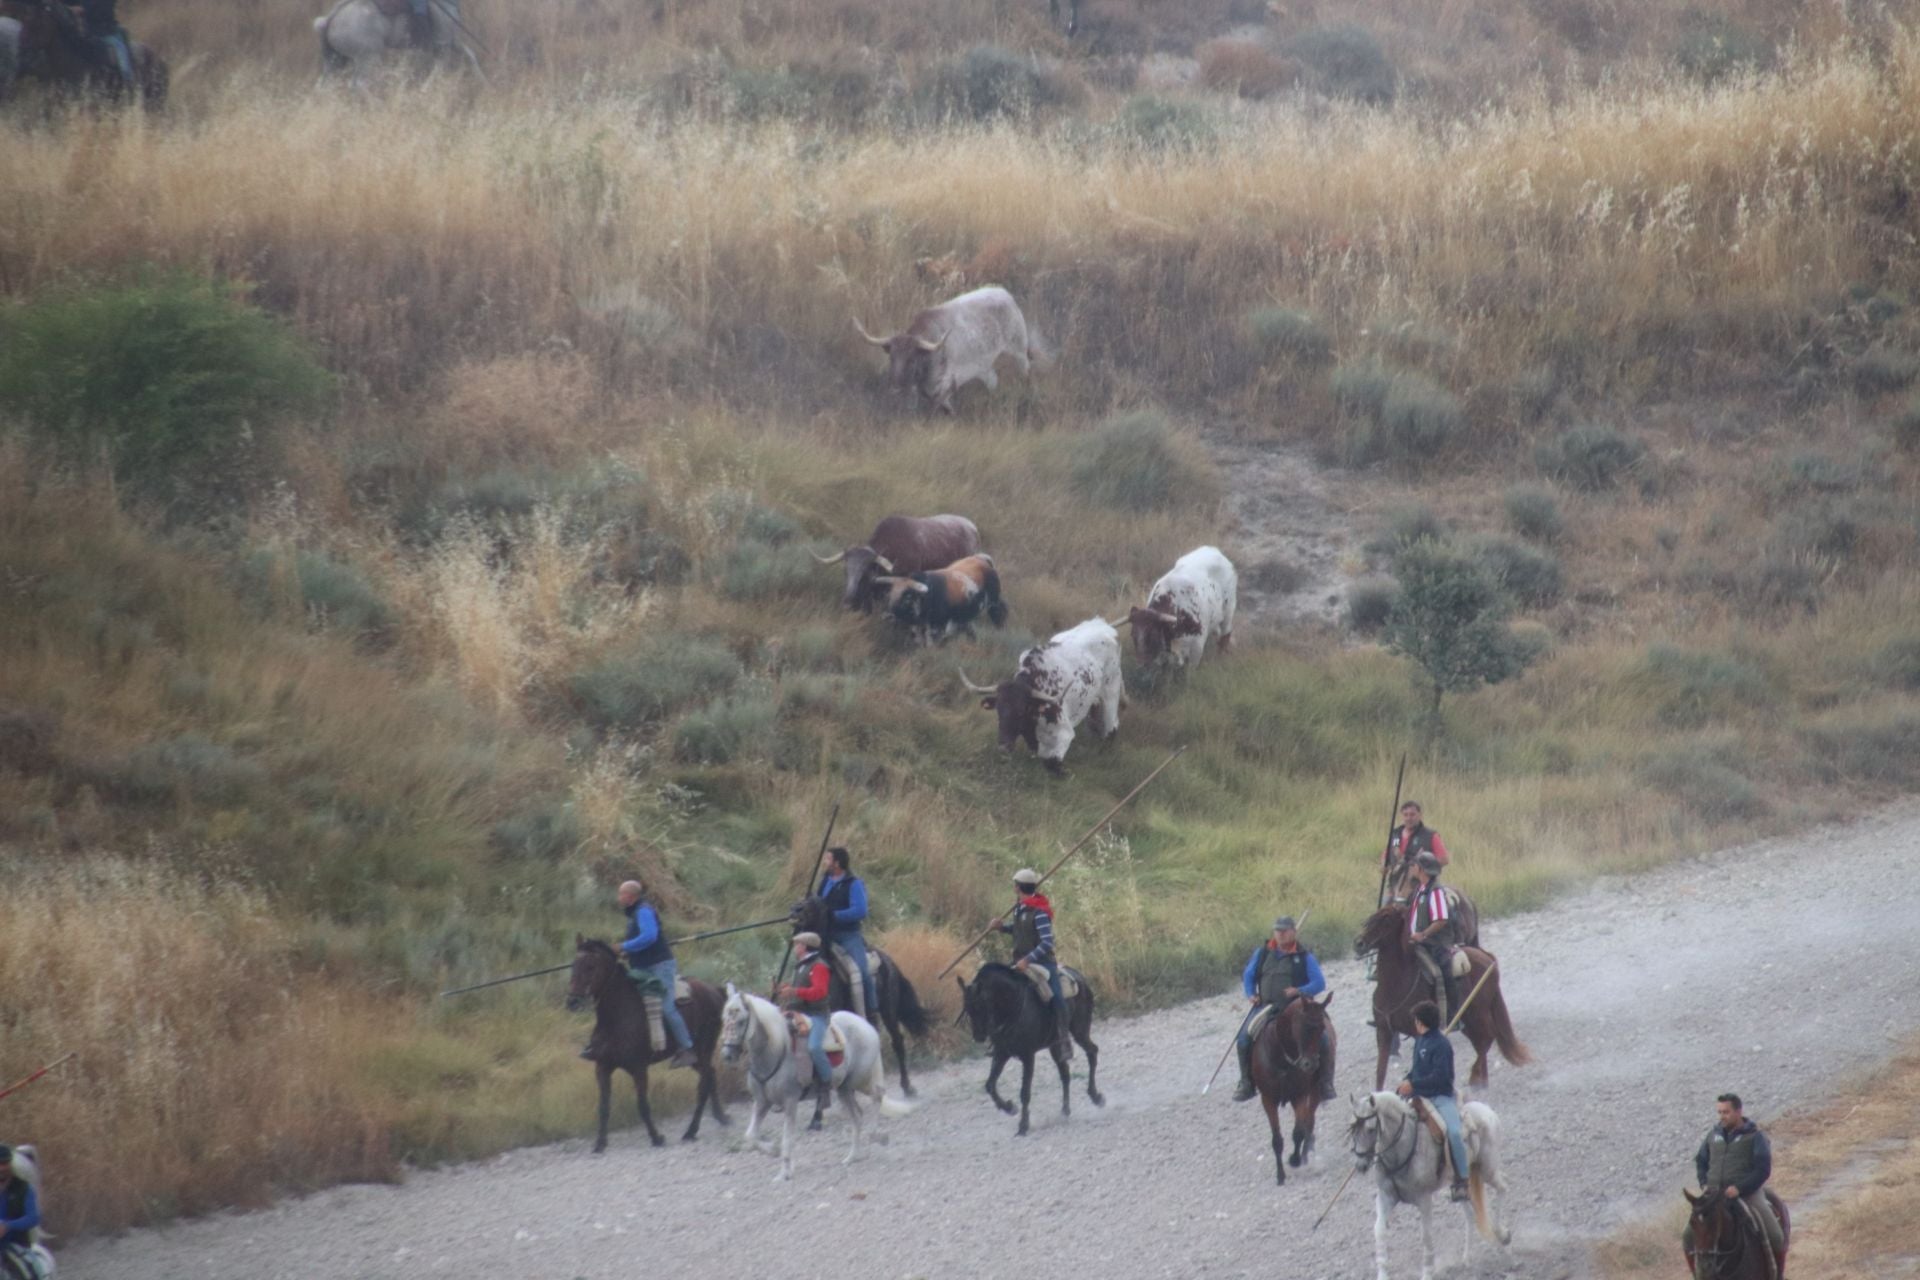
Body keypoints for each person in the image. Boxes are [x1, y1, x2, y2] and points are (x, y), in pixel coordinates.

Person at [582, 879, 697, 1067]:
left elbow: (650, 936)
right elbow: (642, 941)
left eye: (621, 894)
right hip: (641, 967)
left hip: (660, 965)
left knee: (666, 1006)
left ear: (630, 896)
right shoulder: (634, 914)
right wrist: (629, 951)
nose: (618, 897)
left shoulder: (643, 911)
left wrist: (625, 946)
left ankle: (687, 1048)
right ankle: (601, 1044)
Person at [1232, 916, 1335, 1104]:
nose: (1280, 934)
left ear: (1293, 932)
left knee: (1324, 1039)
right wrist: (1250, 994)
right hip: (1267, 1006)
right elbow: (1248, 976)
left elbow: (1319, 983)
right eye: (1277, 930)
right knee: (1243, 1039)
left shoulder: (1305, 957)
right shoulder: (1262, 953)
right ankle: (1246, 1083)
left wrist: (1299, 990)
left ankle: (1326, 1083)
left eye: (1284, 931)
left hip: (1297, 1008)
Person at [1689, 1093, 1786, 1275]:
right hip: (1713, 1195)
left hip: (1747, 1194)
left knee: (1776, 1237)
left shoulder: (1755, 1136)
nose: (1721, 1116)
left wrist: (1739, 1188)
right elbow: (1701, 1161)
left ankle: (1777, 1275)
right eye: (1719, 1112)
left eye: (1726, 1112)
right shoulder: (1713, 1135)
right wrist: (1703, 1184)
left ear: (1738, 1111)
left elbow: (1762, 1170)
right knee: (1688, 1236)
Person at [994, 868, 1071, 1059]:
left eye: (1015, 885)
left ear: (1018, 887)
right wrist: (1002, 928)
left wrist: (1028, 959)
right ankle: (1000, 1039)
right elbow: (1020, 931)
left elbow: (1047, 942)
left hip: (1043, 964)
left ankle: (1063, 1040)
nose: (1014, 888)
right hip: (1019, 962)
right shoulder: (1020, 908)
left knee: (1057, 999)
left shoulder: (1039, 912)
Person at [1397, 1001, 1470, 1202]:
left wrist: (1414, 1085)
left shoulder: (1442, 1045)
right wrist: (1407, 1080)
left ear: (1421, 1022)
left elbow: (1441, 1078)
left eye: (1416, 1020)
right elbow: (1417, 1069)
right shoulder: (1420, 1041)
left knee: (1454, 1133)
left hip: (1440, 1097)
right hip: (1419, 1096)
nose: (1414, 1024)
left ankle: (1463, 1179)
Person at [817, 846, 876, 1022]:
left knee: (862, 970)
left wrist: (834, 915)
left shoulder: (854, 883)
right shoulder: (825, 880)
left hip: (847, 935)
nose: (825, 862)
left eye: (828, 859)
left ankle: (872, 1011)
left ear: (837, 863)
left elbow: (860, 911)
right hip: (825, 933)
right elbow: (818, 902)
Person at [777, 931, 835, 1108]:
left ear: (804, 946)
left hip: (816, 1014)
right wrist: (787, 990)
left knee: (814, 1047)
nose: (795, 948)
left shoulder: (819, 966)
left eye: (797, 944)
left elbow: (820, 992)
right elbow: (801, 989)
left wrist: (794, 992)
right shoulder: (800, 966)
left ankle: (826, 1084)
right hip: (797, 1012)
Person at [1406, 852, 1462, 1029]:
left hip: (1435, 944)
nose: (1412, 868)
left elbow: (1441, 920)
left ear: (1421, 869)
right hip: (1419, 942)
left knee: (1441, 974)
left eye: (1414, 865)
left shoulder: (1435, 891)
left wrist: (1422, 935)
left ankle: (1452, 1015)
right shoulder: (1419, 889)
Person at [1382, 800, 1449, 907]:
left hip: (1423, 887)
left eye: (1412, 814)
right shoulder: (1395, 835)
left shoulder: (1430, 836)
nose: (1409, 818)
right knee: (1383, 915)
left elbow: (1444, 859)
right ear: (1402, 816)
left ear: (1420, 815)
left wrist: (1422, 864)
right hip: (1395, 888)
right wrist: (1384, 867)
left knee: (1437, 912)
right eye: (1406, 815)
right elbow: (1385, 858)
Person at [68, 0, 134, 90]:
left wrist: (83, 10)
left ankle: (129, 84)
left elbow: (102, 8)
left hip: (108, 32)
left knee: (122, 58)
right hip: (87, 33)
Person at [0, 1145, 40, 1280]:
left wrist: (8, 1225)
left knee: (29, 1273)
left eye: (5, 1163)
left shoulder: (23, 1188)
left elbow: (33, 1217)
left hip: (17, 1244)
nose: (1, 1168)